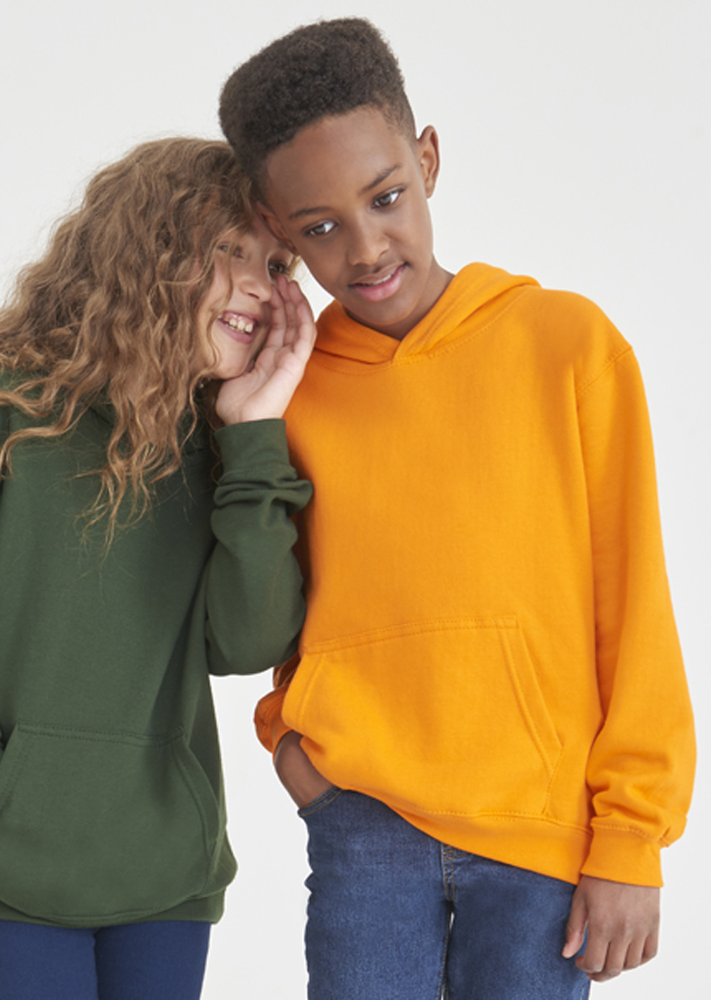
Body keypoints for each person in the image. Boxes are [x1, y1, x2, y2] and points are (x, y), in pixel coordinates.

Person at [219, 18, 696, 1000]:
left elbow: (633, 607)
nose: (365, 248)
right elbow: (258, 596)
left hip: (538, 833)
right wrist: (292, 750)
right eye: (319, 227)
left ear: (427, 159)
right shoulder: (288, 388)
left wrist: (631, 836)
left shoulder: (565, 345)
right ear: (276, 227)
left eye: (385, 197)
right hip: (363, 822)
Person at [0, 137, 316, 1000]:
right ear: (151, 254)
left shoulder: (219, 449)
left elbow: (247, 643)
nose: (262, 284)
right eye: (231, 250)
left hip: (166, 885)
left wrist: (255, 434)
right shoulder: (0, 422)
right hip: (5, 879)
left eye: (278, 264)